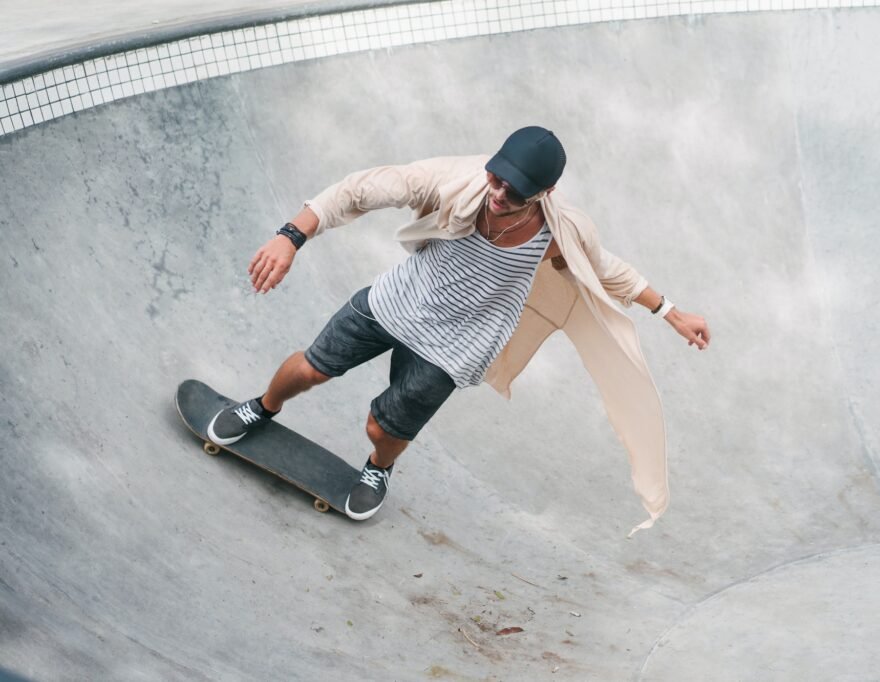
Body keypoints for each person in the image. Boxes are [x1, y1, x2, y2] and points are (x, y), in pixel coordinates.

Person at [208, 127, 710, 533]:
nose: (498, 194)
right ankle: (262, 407)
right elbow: (361, 189)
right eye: (496, 179)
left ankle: (378, 468)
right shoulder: (454, 180)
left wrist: (670, 311)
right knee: (311, 368)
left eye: (515, 193)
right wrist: (291, 235)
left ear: (546, 193)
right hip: (398, 301)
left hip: (456, 347)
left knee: (383, 427)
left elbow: (605, 269)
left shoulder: (562, 232)